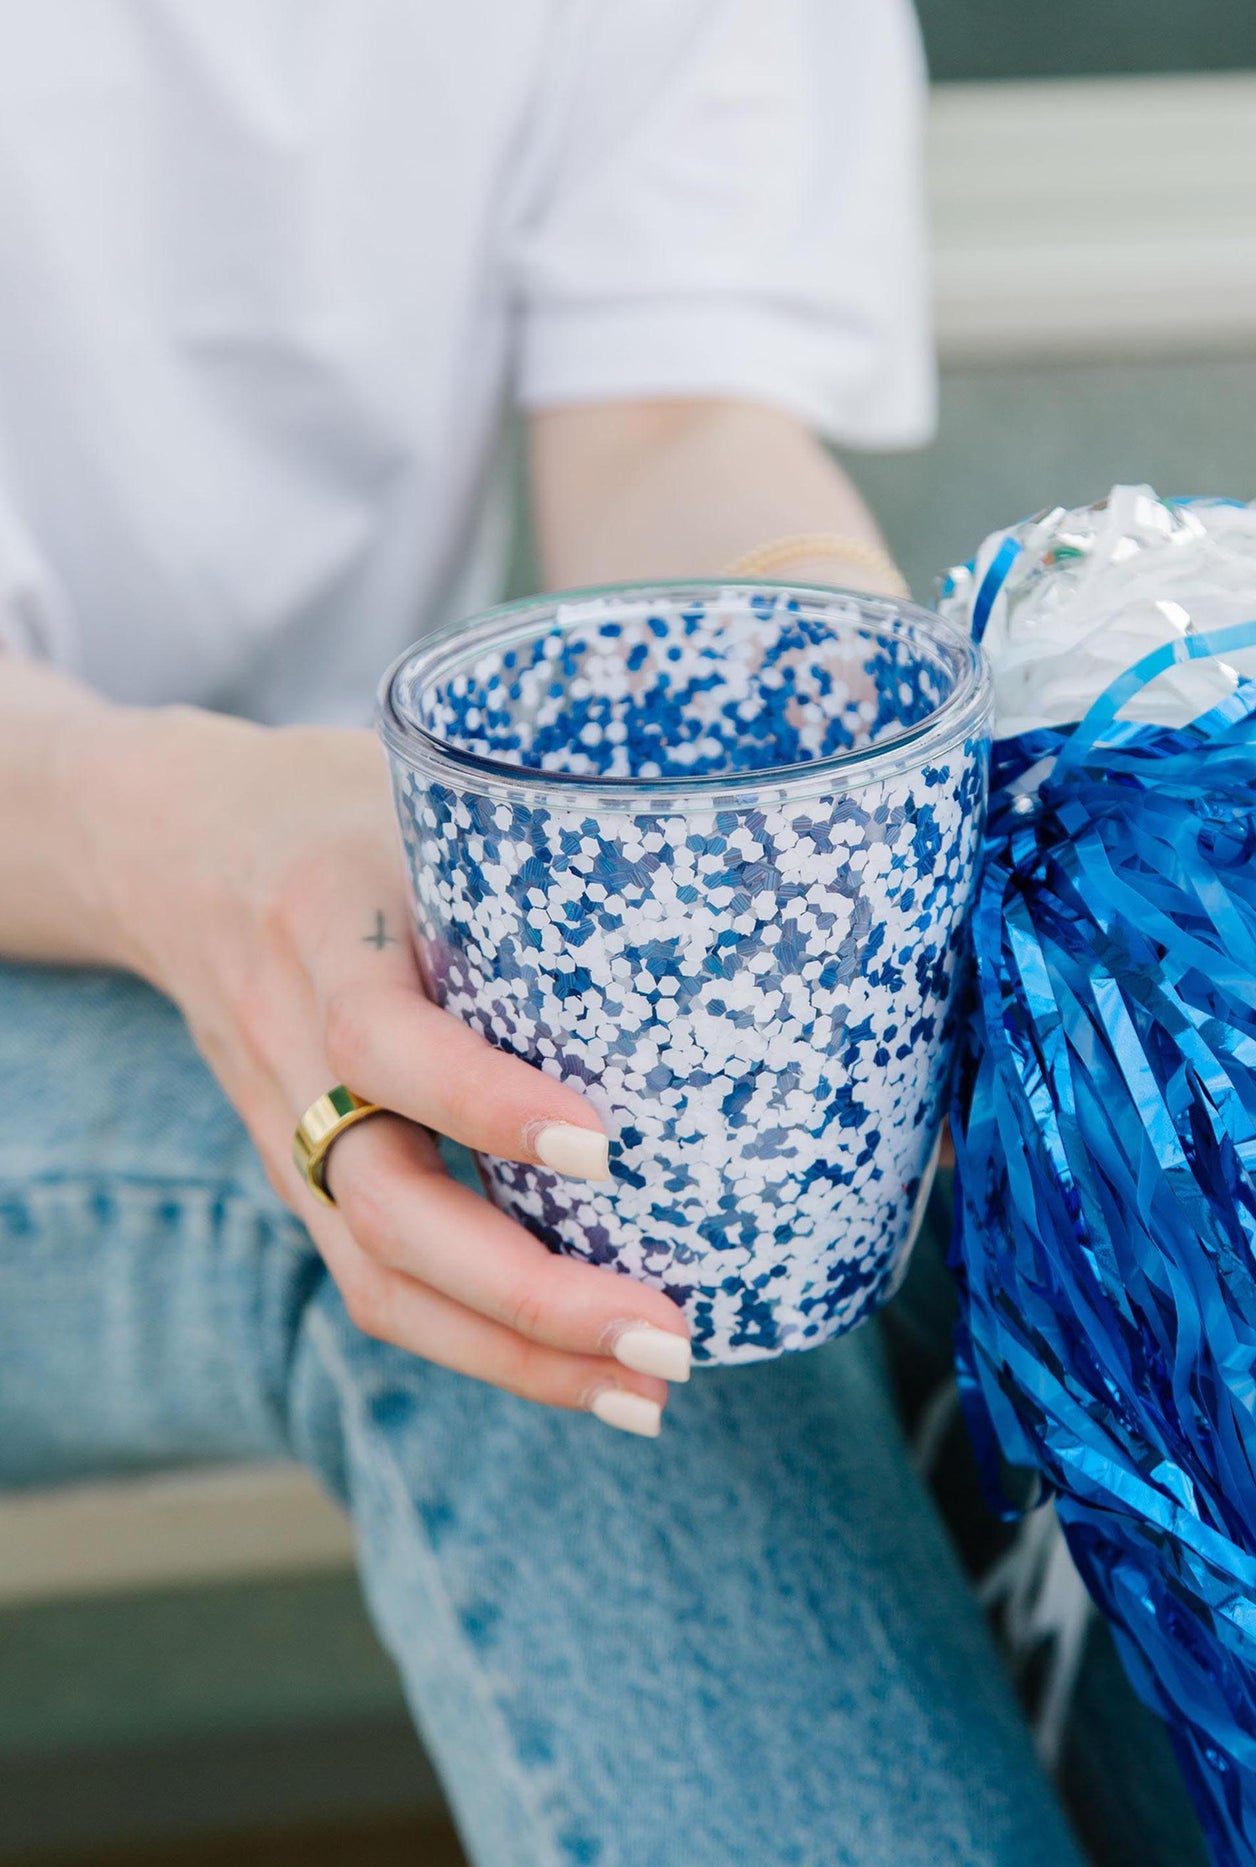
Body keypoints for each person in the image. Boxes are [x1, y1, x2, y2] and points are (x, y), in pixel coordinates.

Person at [0, 4, 1086, 1861]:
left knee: (808, 1190)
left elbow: (671, 415)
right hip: (189, 866)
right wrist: (190, 852)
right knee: (529, 1258)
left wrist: (813, 722)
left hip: (319, 861)